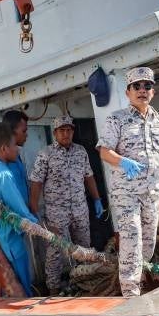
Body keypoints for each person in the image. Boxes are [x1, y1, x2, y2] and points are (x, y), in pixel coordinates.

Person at [97, 67, 159, 297]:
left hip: (151, 192)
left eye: (147, 86)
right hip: (126, 192)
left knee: (147, 243)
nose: (142, 90)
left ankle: (140, 279)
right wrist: (123, 161)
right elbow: (104, 152)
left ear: (153, 92)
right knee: (131, 236)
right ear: (128, 92)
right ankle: (130, 292)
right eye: (136, 86)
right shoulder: (117, 119)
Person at [29, 115, 104, 294]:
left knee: (84, 246)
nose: (66, 133)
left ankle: (85, 281)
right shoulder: (45, 154)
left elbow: (89, 176)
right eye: (62, 130)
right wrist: (33, 209)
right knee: (55, 250)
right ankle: (53, 288)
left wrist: (97, 199)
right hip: (56, 212)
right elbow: (36, 182)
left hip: (80, 208)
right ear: (55, 133)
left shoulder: (81, 151)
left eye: (69, 130)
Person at [0, 122, 39, 295]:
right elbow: (20, 211)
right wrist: (40, 226)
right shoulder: (3, 176)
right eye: (14, 145)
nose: (17, 149)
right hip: (11, 242)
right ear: (5, 148)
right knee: (22, 288)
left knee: (6, 285)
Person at [1, 110, 30, 205]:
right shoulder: (3, 161)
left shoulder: (17, 156)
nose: (26, 134)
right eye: (24, 131)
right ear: (12, 132)